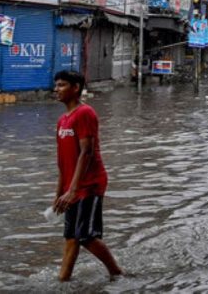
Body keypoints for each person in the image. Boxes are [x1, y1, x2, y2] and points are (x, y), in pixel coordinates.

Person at [52, 70, 122, 282]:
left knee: (86, 236)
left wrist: (73, 190)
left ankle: (116, 272)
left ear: (75, 88)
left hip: (89, 184)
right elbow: (63, 162)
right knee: (71, 236)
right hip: (72, 185)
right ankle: (63, 280)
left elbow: (87, 152)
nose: (56, 89)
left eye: (62, 85)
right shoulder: (63, 120)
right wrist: (59, 193)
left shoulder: (85, 113)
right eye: (56, 85)